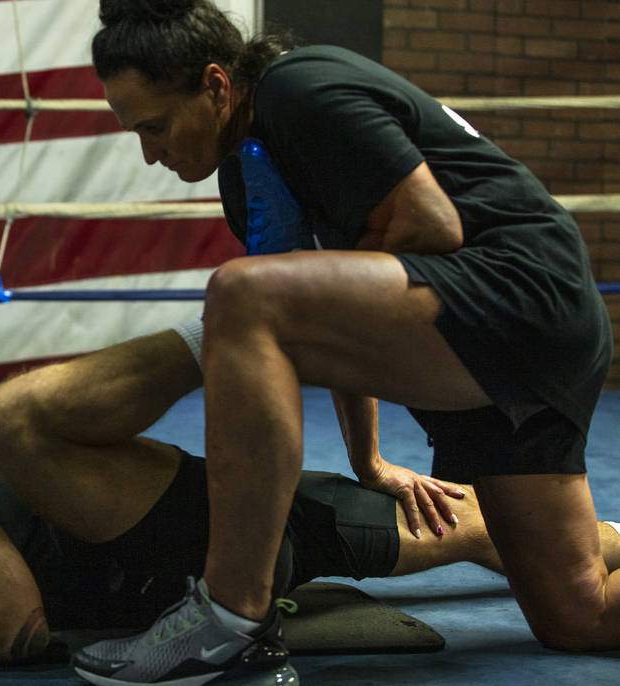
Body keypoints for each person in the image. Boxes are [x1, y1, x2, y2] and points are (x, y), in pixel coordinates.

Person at [32, 1, 616, 684]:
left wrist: (297, 287)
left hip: (522, 297)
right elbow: (334, 316)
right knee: (577, 615)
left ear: (217, 86)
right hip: (505, 347)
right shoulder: (244, 171)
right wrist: (368, 460)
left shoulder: (300, 90)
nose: (150, 152)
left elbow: (431, 226)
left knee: (242, 295)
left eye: (156, 127)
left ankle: (232, 619)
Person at [0, 332, 620, 672]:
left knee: (506, 537)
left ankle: (244, 328)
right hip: (169, 542)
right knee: (12, 423)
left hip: (164, 497)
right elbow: (5, 620)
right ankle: (246, 326)